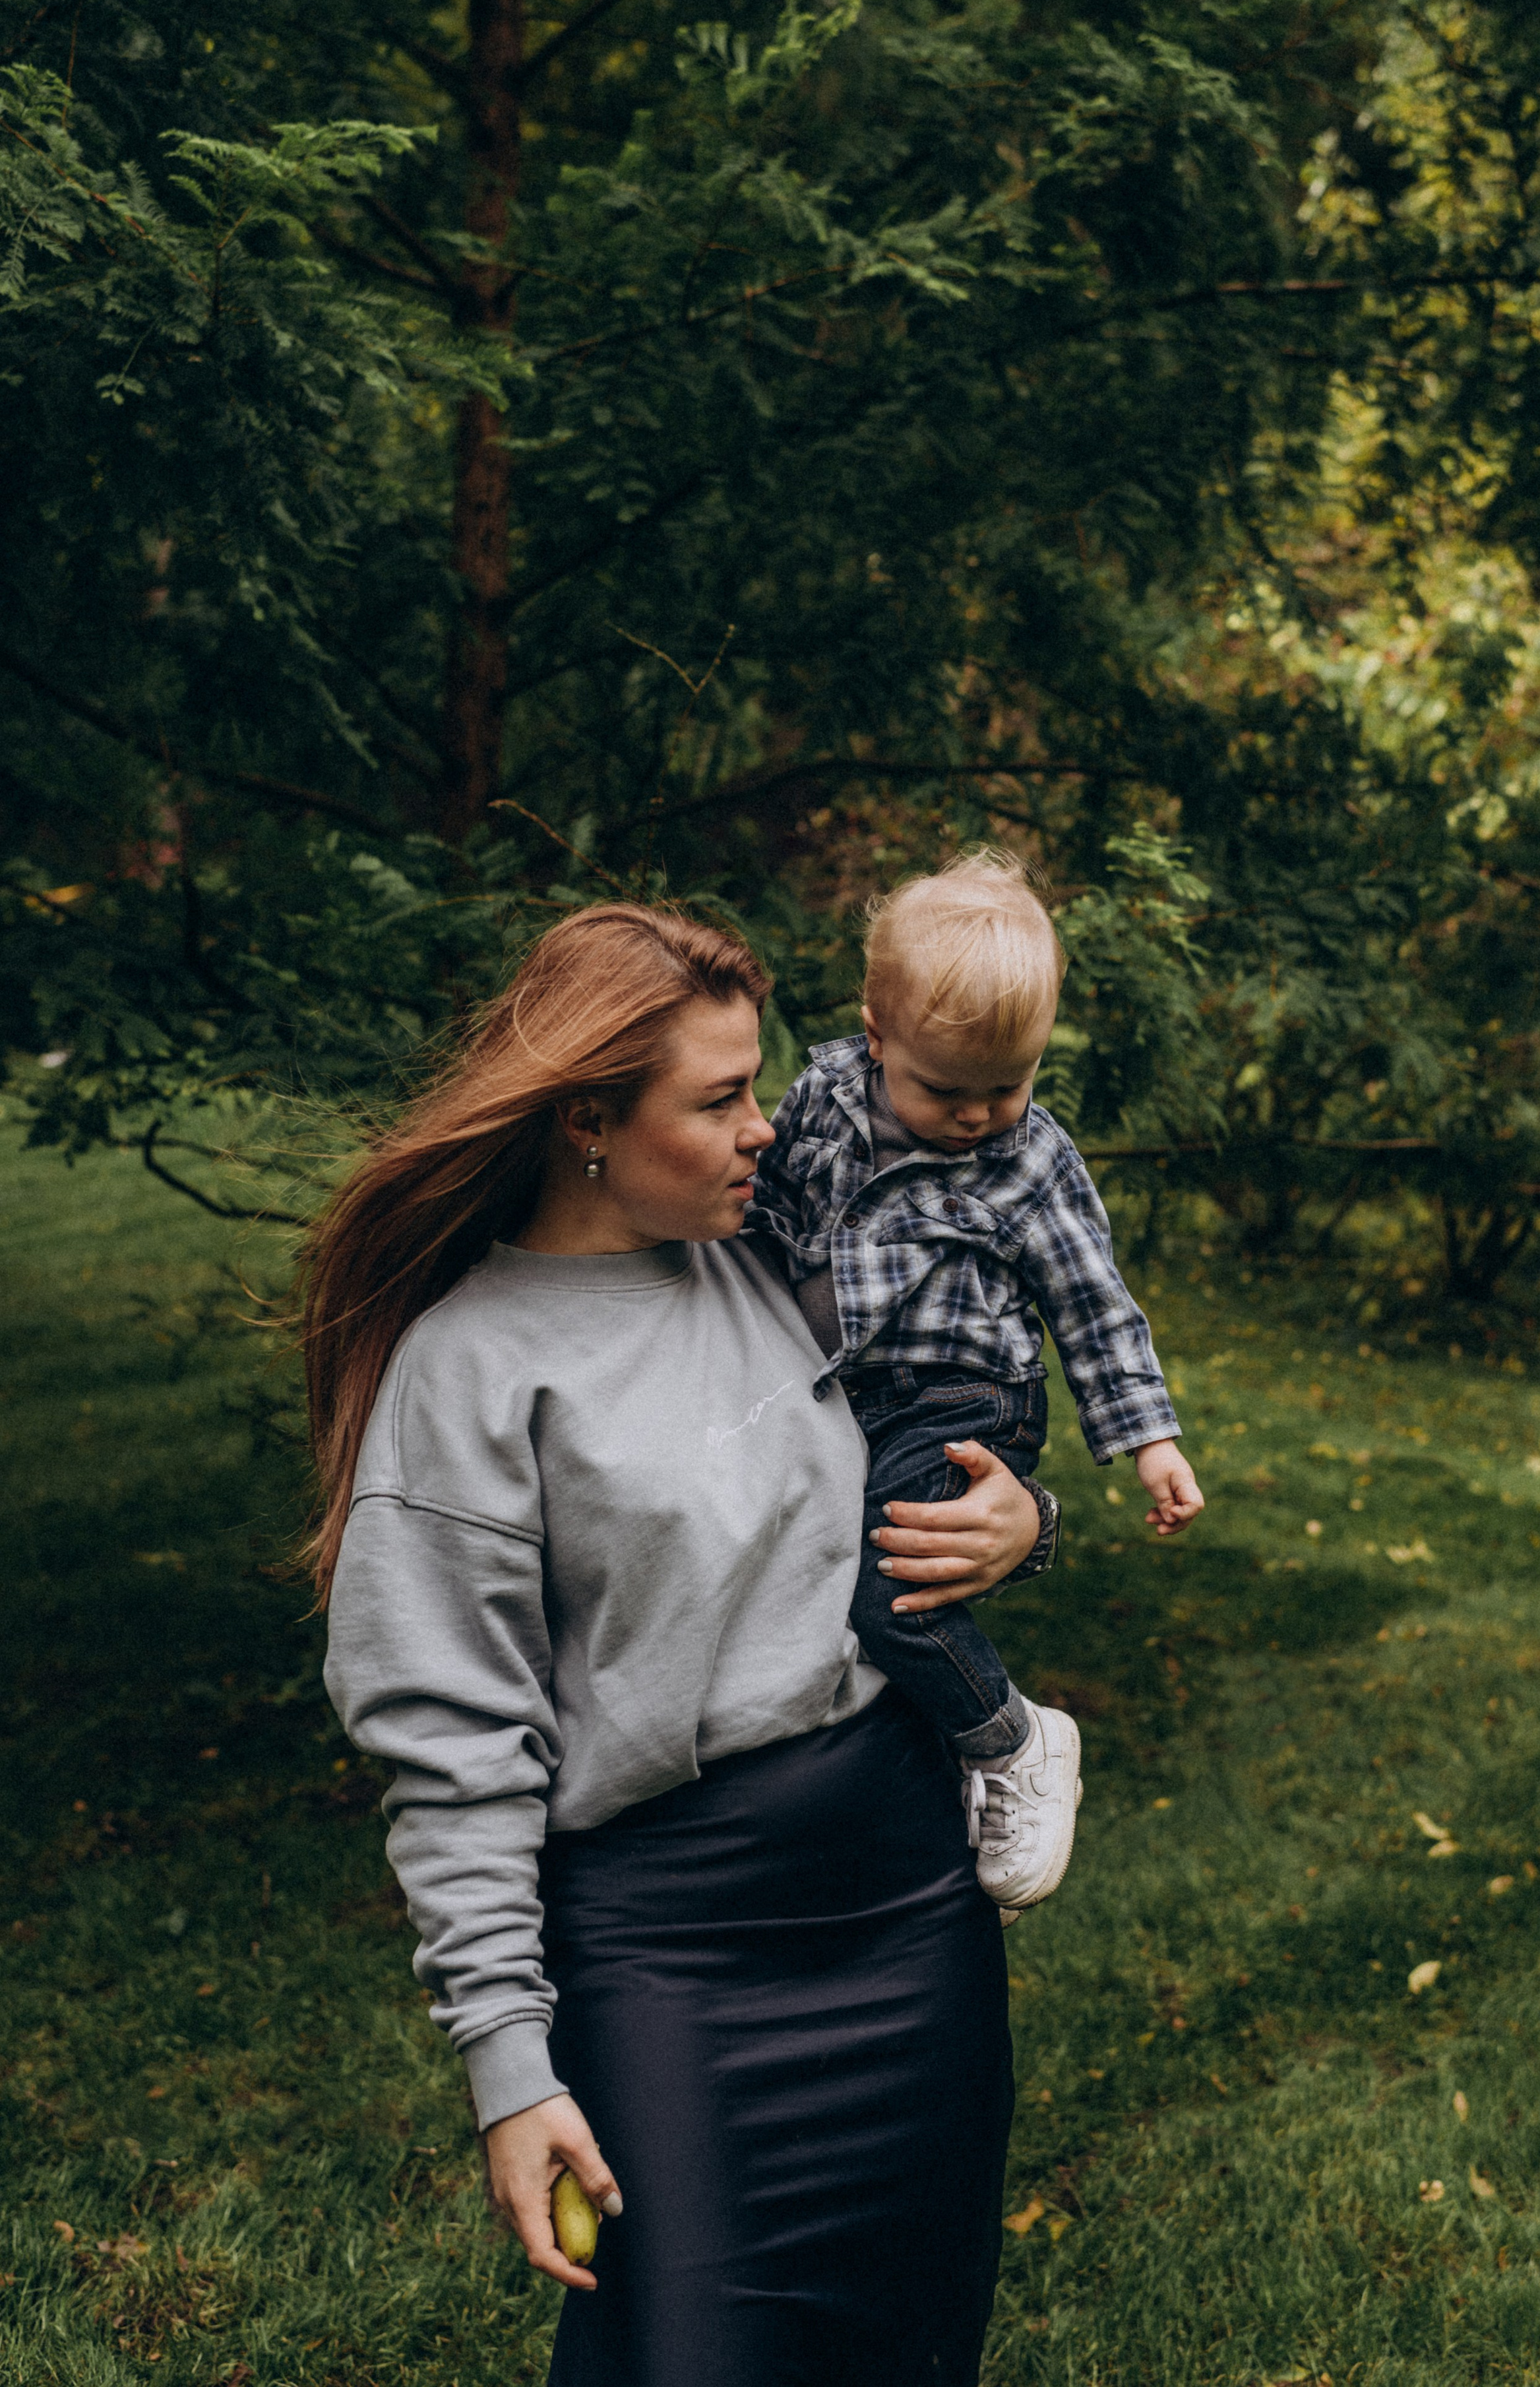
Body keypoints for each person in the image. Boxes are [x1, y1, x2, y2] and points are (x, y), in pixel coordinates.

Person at [304, 901, 1051, 2387]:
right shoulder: (473, 1371)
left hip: (907, 1910)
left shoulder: (777, 1262)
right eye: (718, 1101)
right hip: (671, 1953)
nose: (766, 1130)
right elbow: (455, 1762)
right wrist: (513, 2070)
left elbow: (925, 1443)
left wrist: (1017, 1523)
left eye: (757, 1087)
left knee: (911, 2346)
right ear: (589, 1118)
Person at [749, 849, 1205, 1916]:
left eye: (1011, 1086)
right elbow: (762, 1212)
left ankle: (1011, 1739)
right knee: (820, 1582)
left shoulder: (1033, 1161)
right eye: (946, 1089)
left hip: (967, 1404)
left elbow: (1093, 1307)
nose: (977, 1116)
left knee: (894, 1589)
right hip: (847, 1397)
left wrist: (1151, 1443)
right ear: (875, 1034)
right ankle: (916, 1788)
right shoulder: (820, 1099)